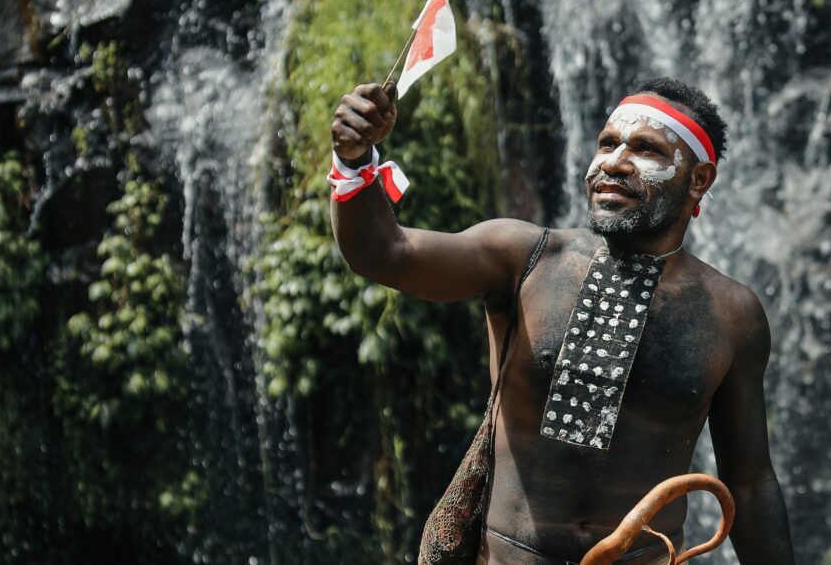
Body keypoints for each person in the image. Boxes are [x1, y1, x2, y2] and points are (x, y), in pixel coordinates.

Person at [329, 76, 795, 564]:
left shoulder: (732, 314)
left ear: (698, 179)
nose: (614, 163)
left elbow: (749, 481)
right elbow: (385, 252)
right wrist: (354, 159)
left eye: (645, 149)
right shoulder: (524, 257)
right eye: (608, 143)